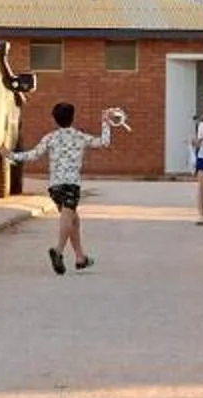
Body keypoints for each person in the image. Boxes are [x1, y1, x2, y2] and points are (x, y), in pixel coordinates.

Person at [7, 101, 124, 274]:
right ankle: (58, 251)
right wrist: (105, 121)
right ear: (73, 117)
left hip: (54, 186)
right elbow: (103, 142)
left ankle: (80, 257)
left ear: (54, 119)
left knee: (74, 220)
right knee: (67, 218)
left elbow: (33, 154)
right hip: (71, 184)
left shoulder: (50, 138)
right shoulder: (79, 136)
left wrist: (10, 155)